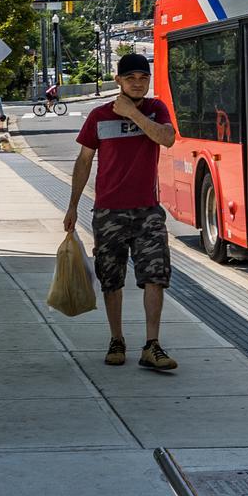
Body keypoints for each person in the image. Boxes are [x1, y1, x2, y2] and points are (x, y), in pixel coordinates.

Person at [63, 52, 178, 372]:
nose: (138, 83)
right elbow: (84, 161)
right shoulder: (98, 116)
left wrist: (134, 114)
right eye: (131, 78)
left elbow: (167, 139)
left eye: (143, 78)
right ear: (118, 81)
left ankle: (152, 345)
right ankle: (117, 339)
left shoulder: (156, 109)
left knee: (156, 274)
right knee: (111, 278)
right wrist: (72, 205)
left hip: (147, 212)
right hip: (109, 211)